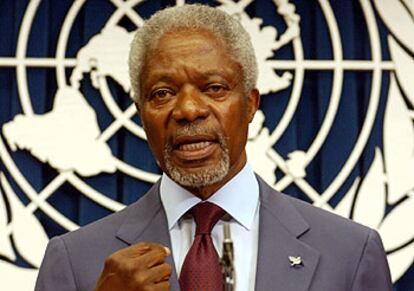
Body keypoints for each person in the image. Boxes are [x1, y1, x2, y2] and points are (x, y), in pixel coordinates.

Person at [35, 4, 392, 291]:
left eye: (214, 88)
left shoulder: (350, 253)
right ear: (141, 114)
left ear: (251, 104)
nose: (189, 110)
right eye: (162, 93)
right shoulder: (72, 261)